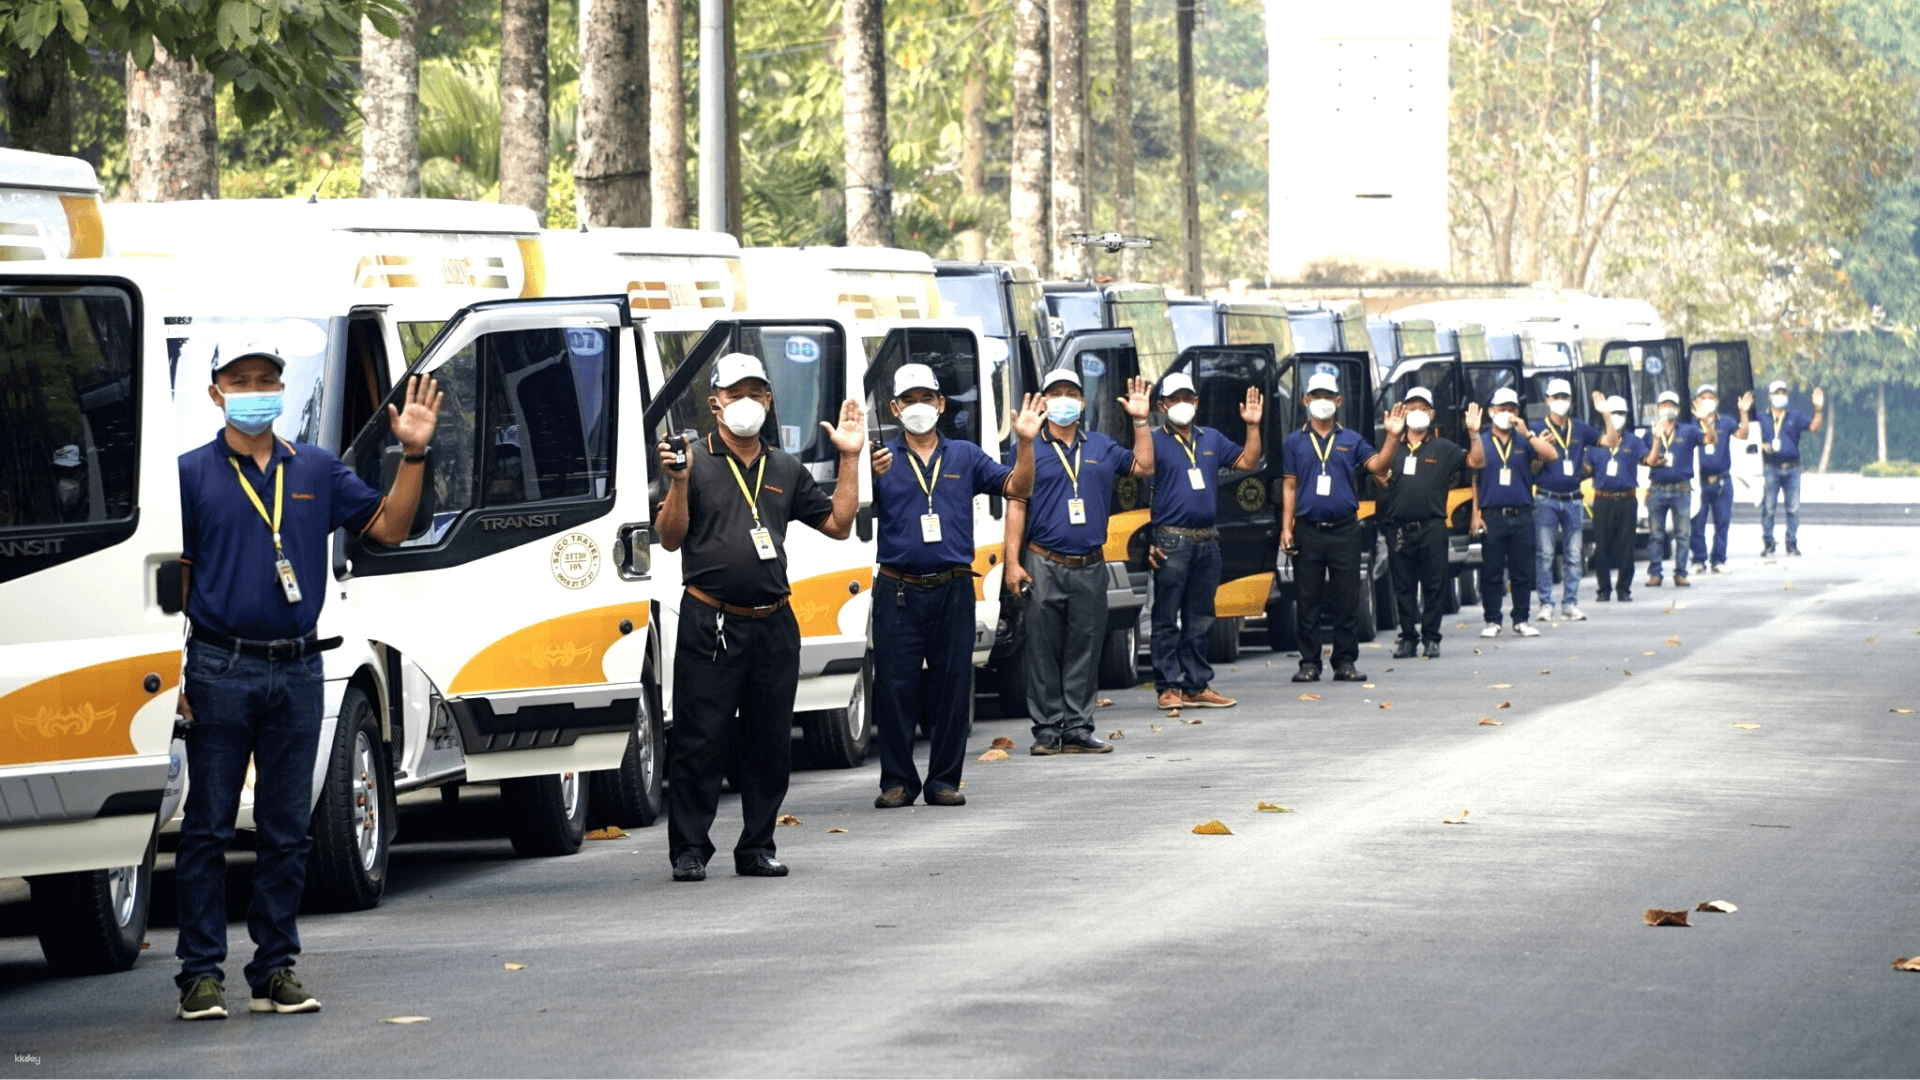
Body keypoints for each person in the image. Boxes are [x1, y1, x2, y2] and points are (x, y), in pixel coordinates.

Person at [174, 345, 441, 1021]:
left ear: (284, 391)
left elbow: (390, 528)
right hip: (217, 665)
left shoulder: (315, 468)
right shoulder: (188, 475)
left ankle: (274, 969)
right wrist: (169, 668)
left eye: (267, 381)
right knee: (206, 827)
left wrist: (412, 454)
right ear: (216, 395)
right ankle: (200, 975)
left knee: (288, 828)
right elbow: (172, 581)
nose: (256, 391)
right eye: (241, 382)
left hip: (297, 666)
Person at [655, 353, 865, 881]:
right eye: (735, 393)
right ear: (715, 402)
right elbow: (670, 536)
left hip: (773, 621)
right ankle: (689, 849)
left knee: (770, 740)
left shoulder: (786, 467)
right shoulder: (691, 460)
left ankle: (756, 846)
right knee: (701, 739)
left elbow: (839, 524)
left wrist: (849, 458)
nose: (746, 402)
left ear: (769, 401)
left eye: (756, 392)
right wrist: (677, 483)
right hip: (712, 622)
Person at [867, 364, 1042, 808]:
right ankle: (897, 782)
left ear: (942, 404)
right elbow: (848, 509)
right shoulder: (880, 460)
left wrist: (1024, 444)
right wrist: (857, 466)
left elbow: (1018, 487)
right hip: (898, 589)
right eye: (909, 400)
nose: (919, 407)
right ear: (894, 408)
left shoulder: (965, 455)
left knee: (952, 686)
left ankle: (944, 780)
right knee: (894, 687)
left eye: (927, 398)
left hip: (953, 587)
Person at [1003, 368, 1154, 755]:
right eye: (1056, 393)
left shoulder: (1101, 446)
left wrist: (1140, 421)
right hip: (1042, 562)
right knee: (1042, 649)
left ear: (1082, 403)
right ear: (1044, 400)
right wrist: (1011, 563)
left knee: (1084, 648)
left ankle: (1079, 727)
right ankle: (1048, 730)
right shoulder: (1029, 446)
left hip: (1089, 564)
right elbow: (1016, 504)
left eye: (1071, 393)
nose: (1064, 400)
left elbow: (1144, 467)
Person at [1145, 372, 1263, 710]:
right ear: (1162, 405)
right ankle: (1168, 687)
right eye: (1175, 398)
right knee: (1167, 616)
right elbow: (1137, 486)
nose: (1182, 404)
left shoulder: (1211, 438)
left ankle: (1196, 685)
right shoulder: (1153, 440)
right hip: (1171, 540)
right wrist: (1146, 540)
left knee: (1200, 616)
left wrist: (1252, 426)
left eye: (1188, 397)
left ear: (1196, 402)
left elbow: (1248, 461)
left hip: (1207, 539)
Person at [1281, 371, 1396, 682]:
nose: (1322, 402)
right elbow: (1289, 485)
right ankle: (1309, 663)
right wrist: (1286, 527)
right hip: (1308, 529)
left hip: (1346, 529)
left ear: (1338, 400)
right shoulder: (1294, 442)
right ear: (1305, 400)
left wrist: (1392, 437)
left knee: (1347, 598)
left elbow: (1378, 467)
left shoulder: (1352, 439)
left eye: (1328, 396)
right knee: (1308, 599)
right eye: (1315, 395)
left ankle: (1345, 661)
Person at [1380, 388, 1483, 660]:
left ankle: (1432, 638)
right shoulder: (1393, 446)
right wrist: (1391, 436)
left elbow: (1476, 461)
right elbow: (1376, 472)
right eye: (1411, 406)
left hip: (1433, 527)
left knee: (1434, 584)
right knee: (1402, 587)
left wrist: (1474, 434)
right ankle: (1408, 638)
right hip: (1400, 528)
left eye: (1422, 407)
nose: (1417, 411)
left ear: (1432, 413)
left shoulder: (1443, 447)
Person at [1470, 386, 1558, 637]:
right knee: (1492, 571)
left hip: (1522, 514)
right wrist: (1475, 513)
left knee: (1522, 571)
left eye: (1511, 408)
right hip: (1493, 515)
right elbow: (1474, 478)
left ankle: (1521, 619)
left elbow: (1551, 455)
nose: (1506, 413)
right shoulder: (1482, 441)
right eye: (1501, 408)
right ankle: (1492, 620)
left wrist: (1528, 433)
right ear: (1491, 411)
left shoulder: (1524, 440)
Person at [1530, 378, 1599, 622]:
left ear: (1570, 401)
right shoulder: (1538, 428)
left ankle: (1570, 603)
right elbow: (1532, 470)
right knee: (1546, 554)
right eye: (1556, 397)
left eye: (1565, 397)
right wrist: (1541, 452)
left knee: (1573, 555)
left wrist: (1606, 415)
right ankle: (1546, 604)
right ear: (1548, 400)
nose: (1560, 401)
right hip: (1546, 498)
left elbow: (1609, 441)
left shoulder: (1580, 428)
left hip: (1573, 499)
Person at [1584, 395, 1646, 602]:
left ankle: (1623, 588)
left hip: (1626, 498)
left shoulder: (1634, 441)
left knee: (1627, 545)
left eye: (1621, 413)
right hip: (1603, 499)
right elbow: (1586, 469)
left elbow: (1649, 460)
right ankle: (1604, 589)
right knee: (1602, 545)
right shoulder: (1596, 442)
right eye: (1613, 413)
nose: (1617, 417)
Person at [1754, 378, 1824, 556]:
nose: (1780, 396)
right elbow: (1751, 437)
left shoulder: (1795, 416)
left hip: (1792, 468)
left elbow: (1814, 427)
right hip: (1772, 467)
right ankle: (1768, 542)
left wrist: (1818, 408)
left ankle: (1791, 543)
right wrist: (1762, 446)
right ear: (1769, 397)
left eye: (1783, 393)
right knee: (1768, 508)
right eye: (1777, 393)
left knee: (1793, 508)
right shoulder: (1761, 418)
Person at [1641, 390, 1703, 588]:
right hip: (1657, 487)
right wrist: (1657, 438)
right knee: (1655, 534)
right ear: (1658, 408)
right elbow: (1647, 461)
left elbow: (1710, 439)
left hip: (1681, 488)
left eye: (1672, 405)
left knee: (1683, 533)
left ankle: (1681, 573)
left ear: (1677, 409)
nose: (1667, 409)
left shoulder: (1688, 431)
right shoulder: (1648, 433)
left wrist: (1705, 421)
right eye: (1664, 405)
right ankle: (1655, 573)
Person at [1688, 385, 1750, 574]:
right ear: (1696, 402)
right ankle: (1698, 559)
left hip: (1722, 481)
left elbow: (1743, 434)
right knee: (1697, 523)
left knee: (1722, 522)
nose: (1708, 400)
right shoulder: (1690, 425)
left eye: (1711, 397)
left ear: (1717, 401)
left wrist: (1744, 413)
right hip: (1699, 481)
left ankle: (1719, 559)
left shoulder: (1725, 421)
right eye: (1703, 397)